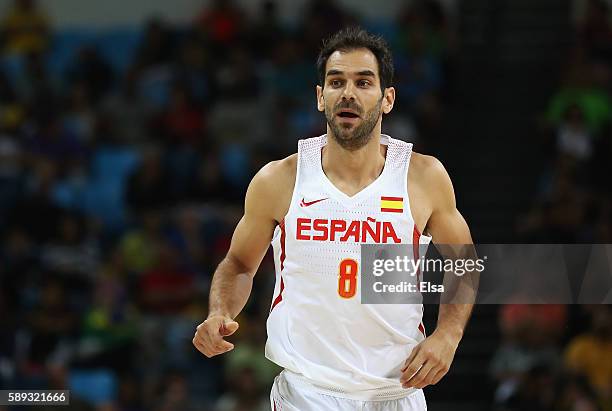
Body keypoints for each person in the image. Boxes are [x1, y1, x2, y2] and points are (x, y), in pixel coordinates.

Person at [193, 27, 475, 410]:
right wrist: (219, 312)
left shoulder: (423, 178)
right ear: (320, 97)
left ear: (387, 98)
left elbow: (465, 263)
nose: (348, 93)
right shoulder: (280, 179)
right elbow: (240, 264)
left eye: (364, 82)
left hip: (395, 391)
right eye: (336, 81)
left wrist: (449, 335)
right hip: (307, 392)